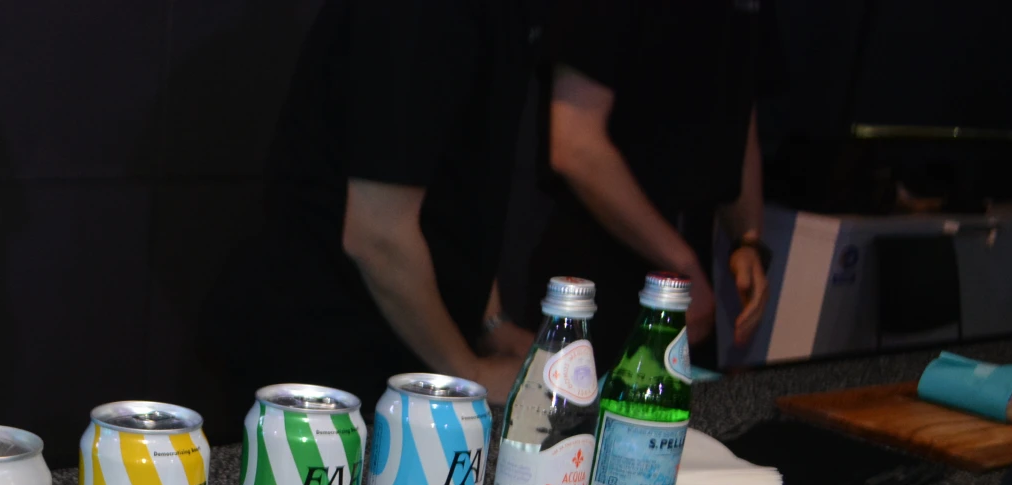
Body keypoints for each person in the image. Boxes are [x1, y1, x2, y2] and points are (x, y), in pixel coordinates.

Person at [203, 0, 539, 411]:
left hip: (412, 348)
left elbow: (465, 180)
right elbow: (377, 236)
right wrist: (468, 374)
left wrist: (491, 324)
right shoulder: (418, 14)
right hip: (333, 356)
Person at [530, 0, 781, 360]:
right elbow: (574, 145)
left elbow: (741, 117)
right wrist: (682, 267)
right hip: (598, 267)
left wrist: (747, 241)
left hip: (690, 268)